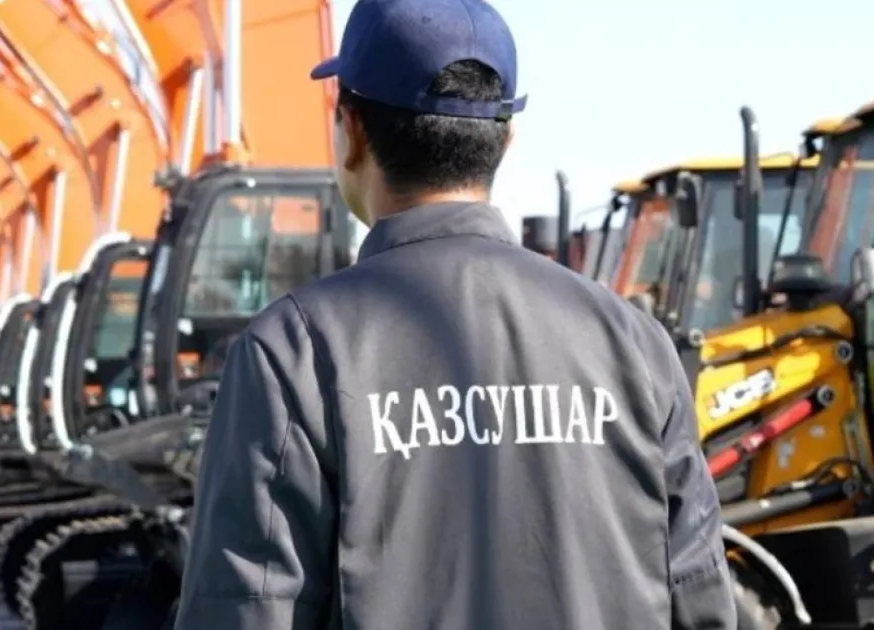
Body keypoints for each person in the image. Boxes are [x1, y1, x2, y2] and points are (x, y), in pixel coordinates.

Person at [173, 0, 735, 628]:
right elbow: (701, 601)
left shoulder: (293, 353)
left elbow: (247, 611)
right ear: (507, 137)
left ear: (352, 129)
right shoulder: (633, 343)